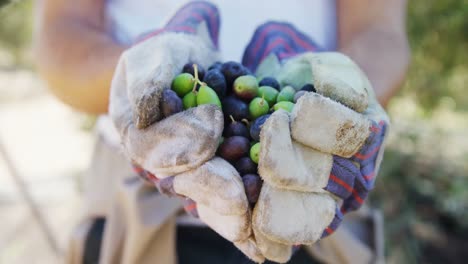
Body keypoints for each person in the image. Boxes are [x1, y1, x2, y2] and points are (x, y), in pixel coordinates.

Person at [35, 0, 410, 263]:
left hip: (310, 187)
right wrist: (139, 75)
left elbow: (381, 32)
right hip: (137, 211)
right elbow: (61, 36)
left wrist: (351, 97)